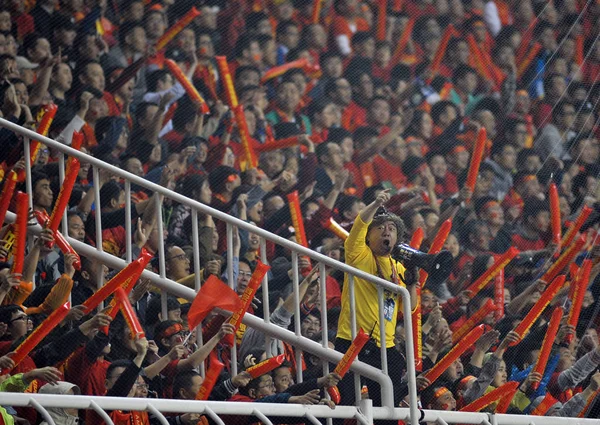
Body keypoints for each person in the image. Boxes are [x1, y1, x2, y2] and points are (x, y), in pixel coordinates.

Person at [335, 189, 417, 413]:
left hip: (384, 347)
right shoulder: (358, 254)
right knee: (345, 404)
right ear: (369, 236)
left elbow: (410, 308)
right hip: (352, 340)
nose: (386, 232)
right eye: (380, 228)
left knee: (385, 408)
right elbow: (359, 225)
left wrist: (411, 284)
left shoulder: (398, 267)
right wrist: (374, 204)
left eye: (391, 229)